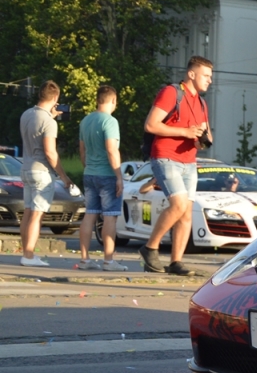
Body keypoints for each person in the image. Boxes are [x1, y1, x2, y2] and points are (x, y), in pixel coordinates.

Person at [138, 56, 213, 275]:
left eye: (210, 76)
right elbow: (151, 125)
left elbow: (207, 134)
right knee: (178, 205)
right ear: (191, 74)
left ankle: (175, 262)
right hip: (165, 156)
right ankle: (150, 247)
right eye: (206, 76)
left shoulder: (201, 102)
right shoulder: (171, 92)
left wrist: (202, 139)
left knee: (186, 212)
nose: (210, 80)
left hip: (189, 161)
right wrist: (185, 132)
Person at [18, 81, 77, 267]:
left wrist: (50, 117)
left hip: (25, 167)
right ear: (55, 98)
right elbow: (50, 153)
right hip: (42, 171)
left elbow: (35, 131)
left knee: (28, 212)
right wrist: (64, 176)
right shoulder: (49, 122)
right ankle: (28, 256)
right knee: (37, 215)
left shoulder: (26, 114)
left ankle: (25, 252)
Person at [77, 85, 128, 271]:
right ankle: (108, 260)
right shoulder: (110, 121)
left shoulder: (85, 121)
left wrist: (87, 167)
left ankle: (84, 259)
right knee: (109, 217)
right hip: (107, 174)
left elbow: (82, 150)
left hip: (89, 172)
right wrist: (119, 176)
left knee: (89, 214)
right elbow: (111, 149)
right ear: (113, 100)